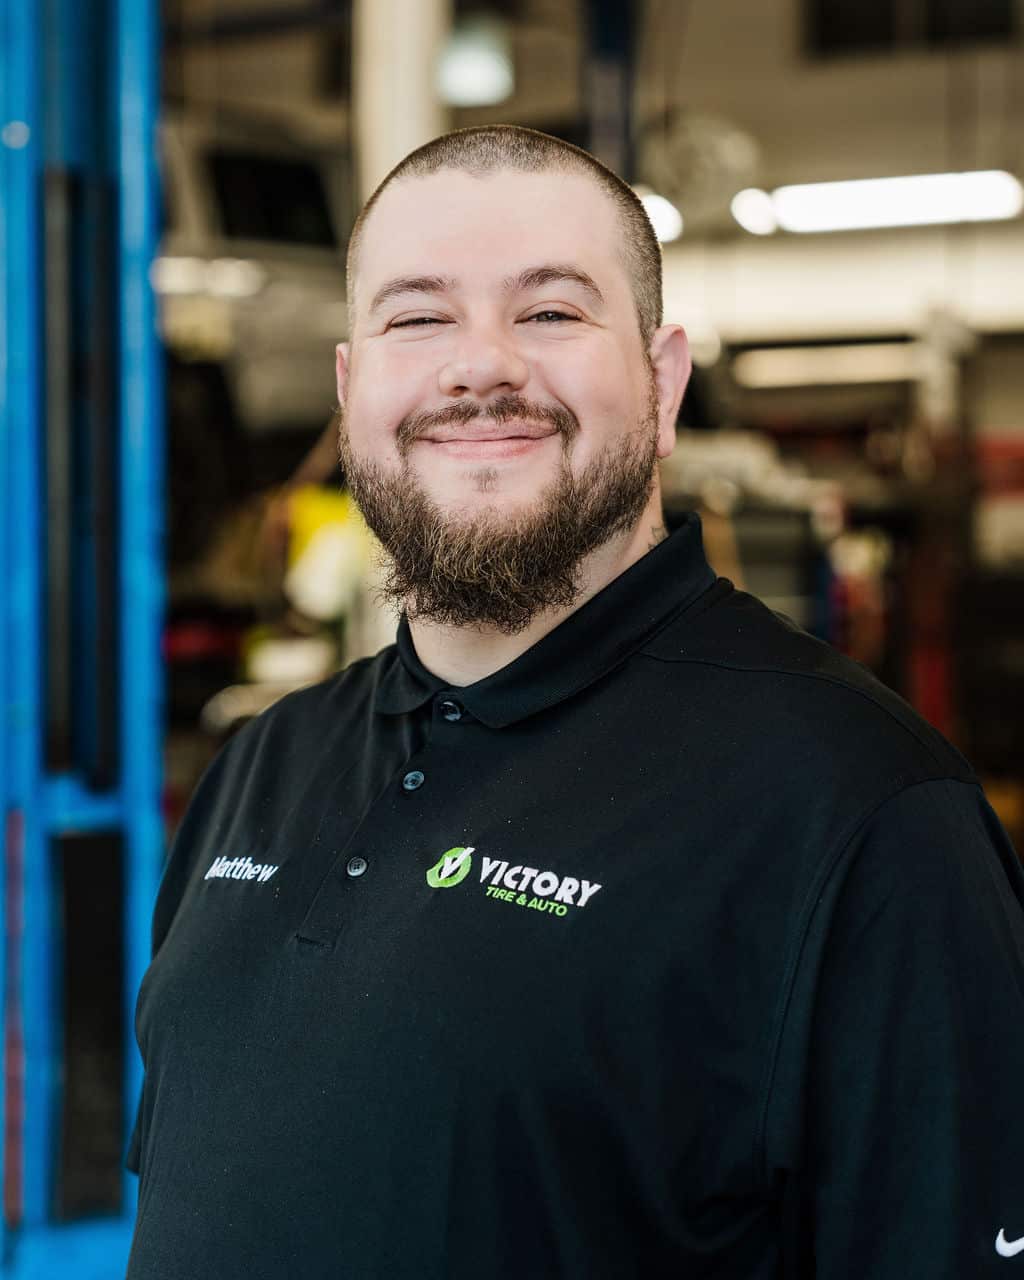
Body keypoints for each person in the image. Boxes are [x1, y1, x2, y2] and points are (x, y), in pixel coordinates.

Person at [125, 125, 1024, 1279]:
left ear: (661, 379)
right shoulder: (262, 763)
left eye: (550, 311)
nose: (479, 365)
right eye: (417, 315)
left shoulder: (862, 811)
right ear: (352, 389)